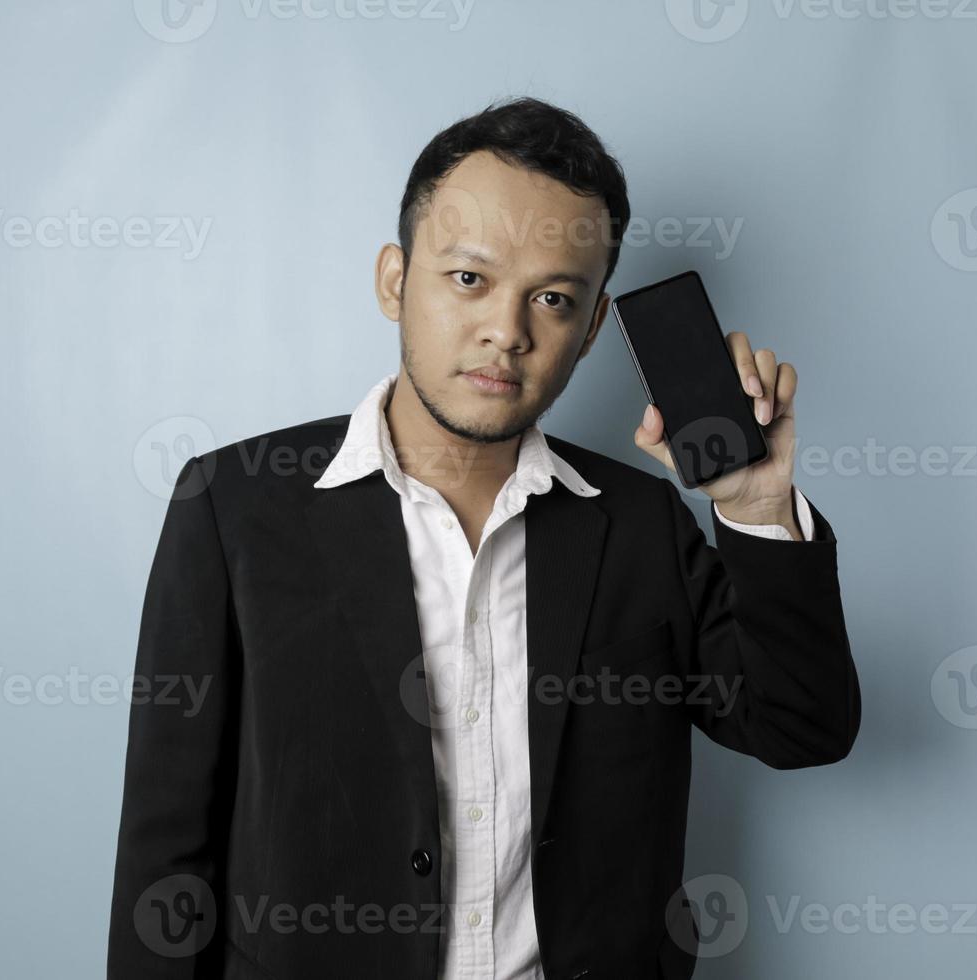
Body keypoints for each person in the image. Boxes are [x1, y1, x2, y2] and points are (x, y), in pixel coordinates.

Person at [107, 95, 860, 980]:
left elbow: (801, 726)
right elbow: (167, 852)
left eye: (552, 298)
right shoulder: (233, 508)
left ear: (587, 335)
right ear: (395, 278)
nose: (508, 331)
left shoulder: (642, 525)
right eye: (469, 279)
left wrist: (757, 506)